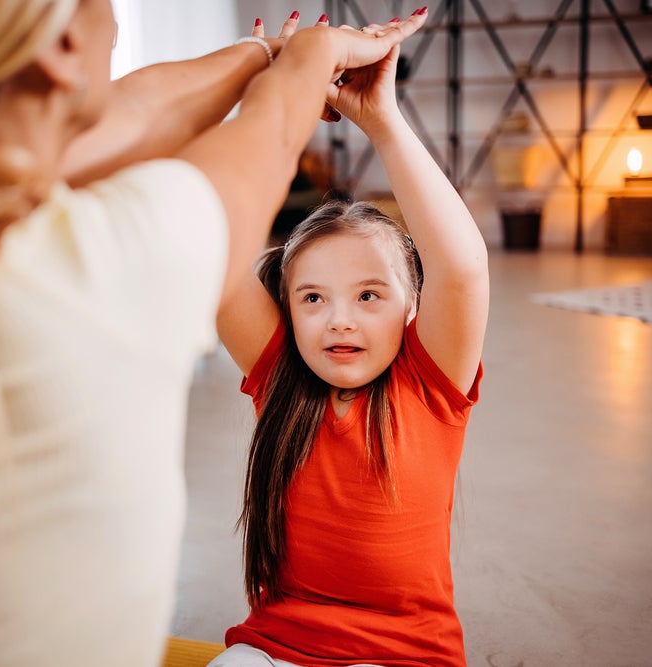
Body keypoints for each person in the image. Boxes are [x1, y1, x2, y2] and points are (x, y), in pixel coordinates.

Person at [0, 2, 428, 665]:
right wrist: (318, 53)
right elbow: (263, 132)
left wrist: (267, 56)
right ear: (63, 41)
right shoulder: (112, 259)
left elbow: (143, 112)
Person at [209, 15, 489, 667]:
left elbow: (465, 267)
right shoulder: (280, 372)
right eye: (313, 299)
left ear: (413, 306)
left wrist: (382, 120)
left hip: (404, 654)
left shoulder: (430, 382)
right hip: (278, 645)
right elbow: (210, 228)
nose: (340, 320)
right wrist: (270, 78)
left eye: (369, 295)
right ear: (287, 311)